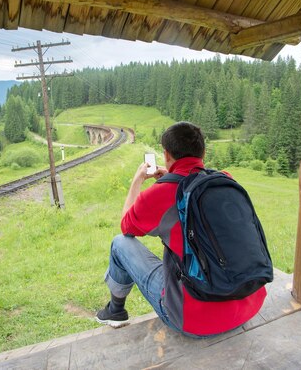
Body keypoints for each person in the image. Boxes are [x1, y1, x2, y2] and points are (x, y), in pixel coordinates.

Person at [96, 121, 267, 337]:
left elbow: (126, 226)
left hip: (195, 321)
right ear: (203, 152)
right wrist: (171, 176)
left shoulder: (161, 193)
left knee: (120, 243)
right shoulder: (225, 179)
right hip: (249, 305)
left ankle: (115, 311)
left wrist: (137, 181)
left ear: (166, 155)